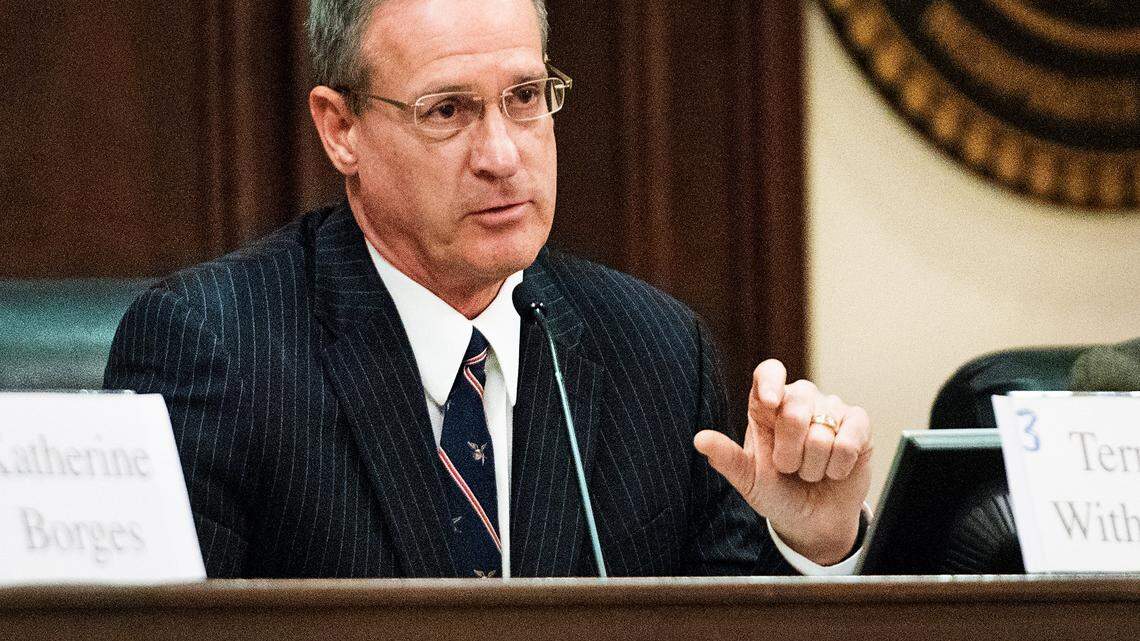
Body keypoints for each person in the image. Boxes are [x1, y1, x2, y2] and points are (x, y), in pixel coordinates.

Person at [104, 0, 872, 578]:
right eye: (448, 110)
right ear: (341, 129)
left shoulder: (656, 352)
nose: (503, 154)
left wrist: (813, 542)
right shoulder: (215, 348)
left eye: (525, 97)